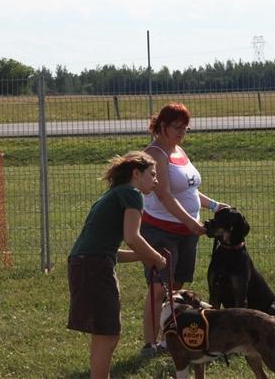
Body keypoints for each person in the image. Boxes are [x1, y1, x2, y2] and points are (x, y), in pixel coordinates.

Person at [67, 151, 167, 379]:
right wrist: (157, 258)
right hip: (94, 267)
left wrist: (144, 256)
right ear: (136, 173)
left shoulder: (113, 193)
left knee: (104, 333)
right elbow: (132, 237)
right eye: (152, 174)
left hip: (85, 264)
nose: (156, 180)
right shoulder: (132, 194)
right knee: (108, 333)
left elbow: (108, 251)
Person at [139, 102, 227, 357]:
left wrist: (214, 205)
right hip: (160, 231)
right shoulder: (155, 153)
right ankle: (149, 344)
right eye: (177, 127)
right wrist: (189, 221)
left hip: (187, 233)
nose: (182, 132)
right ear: (162, 126)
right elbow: (164, 194)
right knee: (158, 288)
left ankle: (168, 339)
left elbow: (190, 189)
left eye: (185, 128)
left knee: (175, 288)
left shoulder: (179, 151)